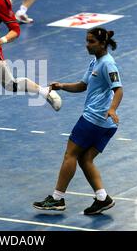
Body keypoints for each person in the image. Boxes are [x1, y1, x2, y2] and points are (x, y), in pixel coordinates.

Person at [33, 27, 123, 215]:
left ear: (102, 44)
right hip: (107, 125)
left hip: (95, 119)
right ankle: (102, 198)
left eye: (91, 41)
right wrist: (62, 86)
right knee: (85, 159)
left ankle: (57, 199)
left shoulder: (108, 64)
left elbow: (119, 89)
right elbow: (83, 85)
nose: (87, 44)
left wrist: (112, 109)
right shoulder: (95, 62)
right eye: (87, 40)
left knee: (70, 155)